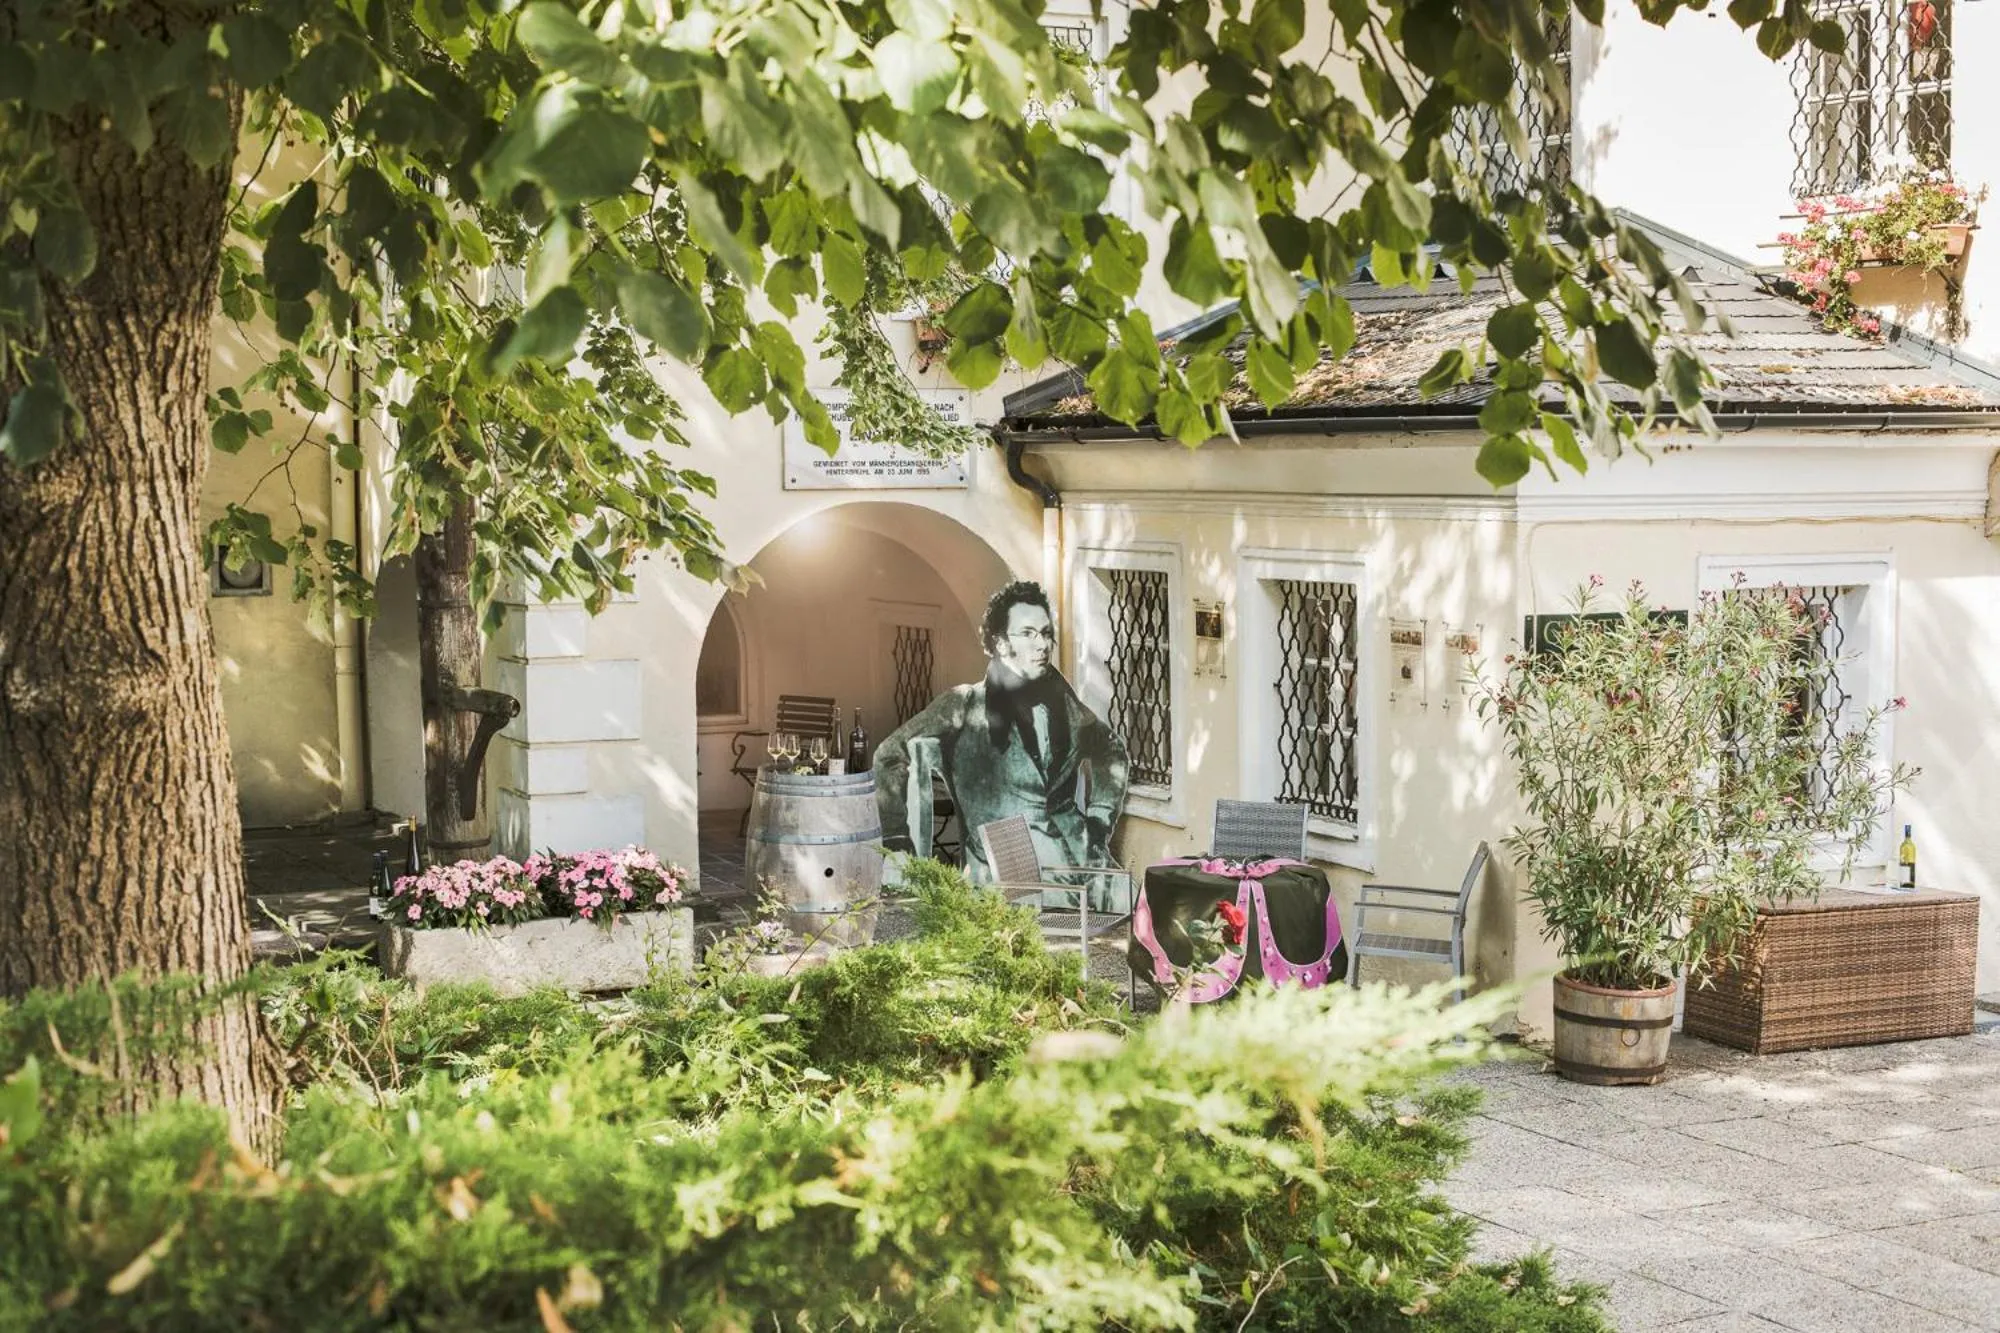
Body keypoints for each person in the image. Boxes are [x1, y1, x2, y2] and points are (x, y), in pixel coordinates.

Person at [874, 580, 1130, 908]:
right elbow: (888, 754)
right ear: (1000, 643)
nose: (1042, 645)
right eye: (1028, 634)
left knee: (1140, 909)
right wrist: (897, 839)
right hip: (1007, 863)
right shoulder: (964, 704)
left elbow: (1111, 750)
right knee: (1049, 929)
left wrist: (1098, 820)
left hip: (1080, 854)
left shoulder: (1062, 702)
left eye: (1046, 633)